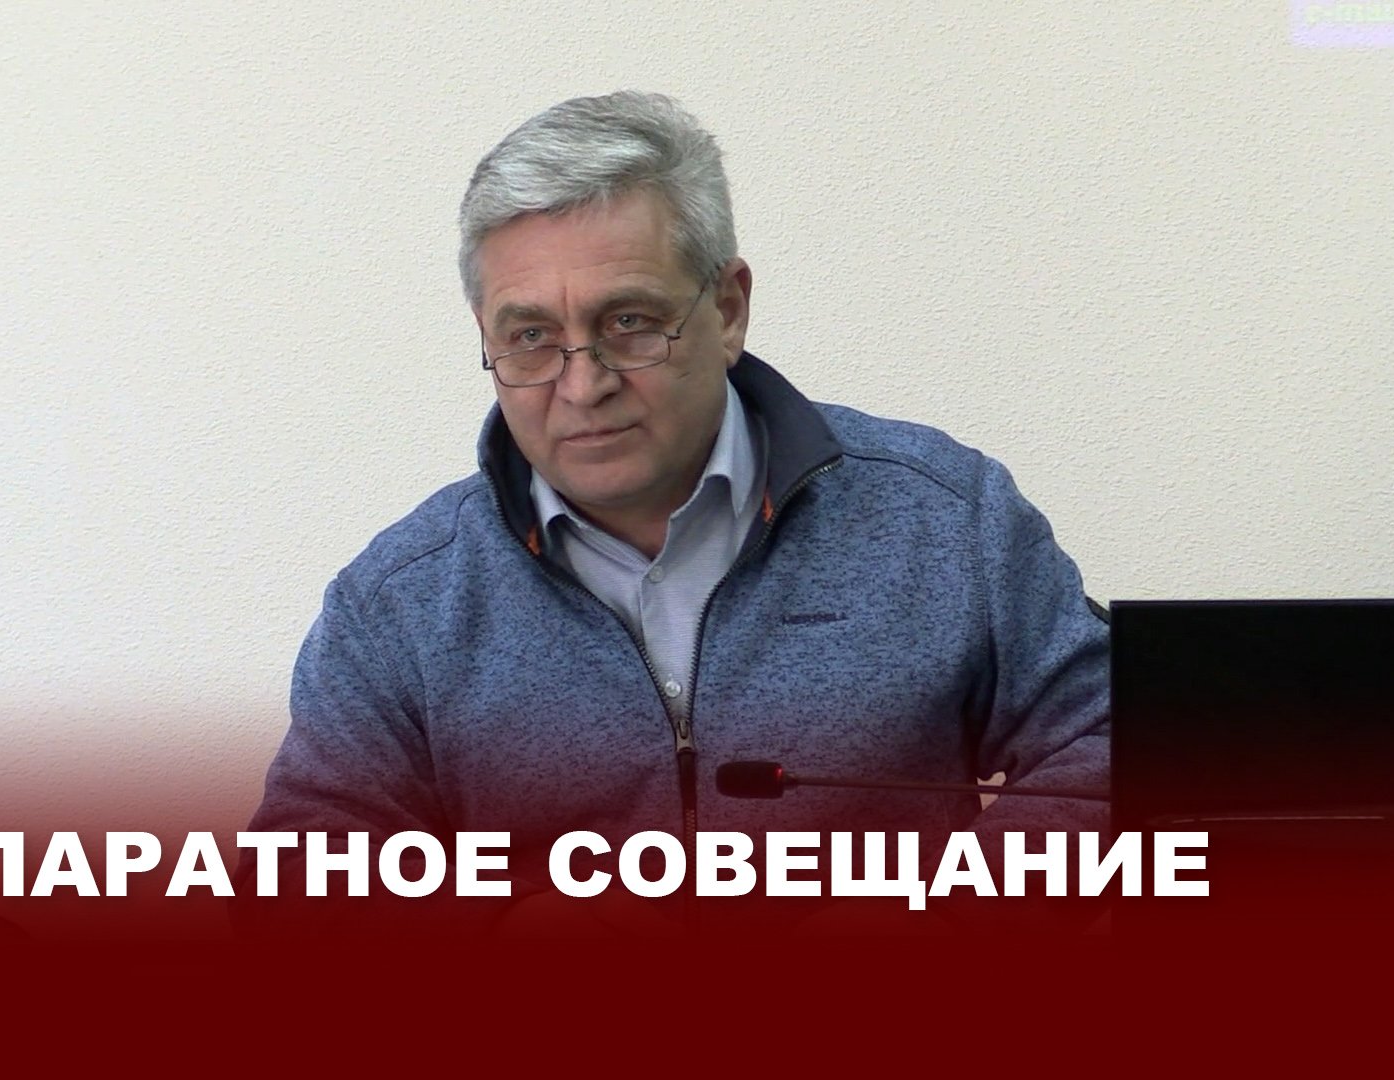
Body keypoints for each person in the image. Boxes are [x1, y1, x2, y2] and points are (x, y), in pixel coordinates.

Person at [240, 90, 1109, 936]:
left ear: (727, 310)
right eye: (531, 337)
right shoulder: (401, 606)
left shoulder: (943, 518)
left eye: (629, 322)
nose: (584, 385)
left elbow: (1117, 743)